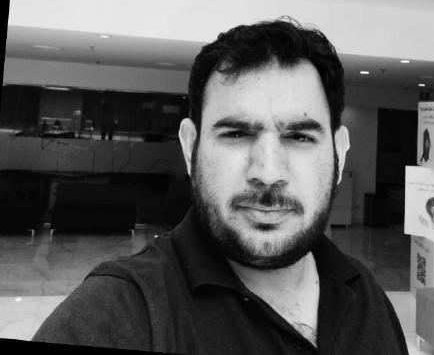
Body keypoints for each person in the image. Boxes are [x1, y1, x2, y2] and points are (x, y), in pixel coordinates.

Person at [32, 18, 409, 354]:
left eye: (299, 136)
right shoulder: (113, 316)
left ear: (339, 153)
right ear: (190, 147)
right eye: (236, 134)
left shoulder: (366, 294)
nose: (268, 172)